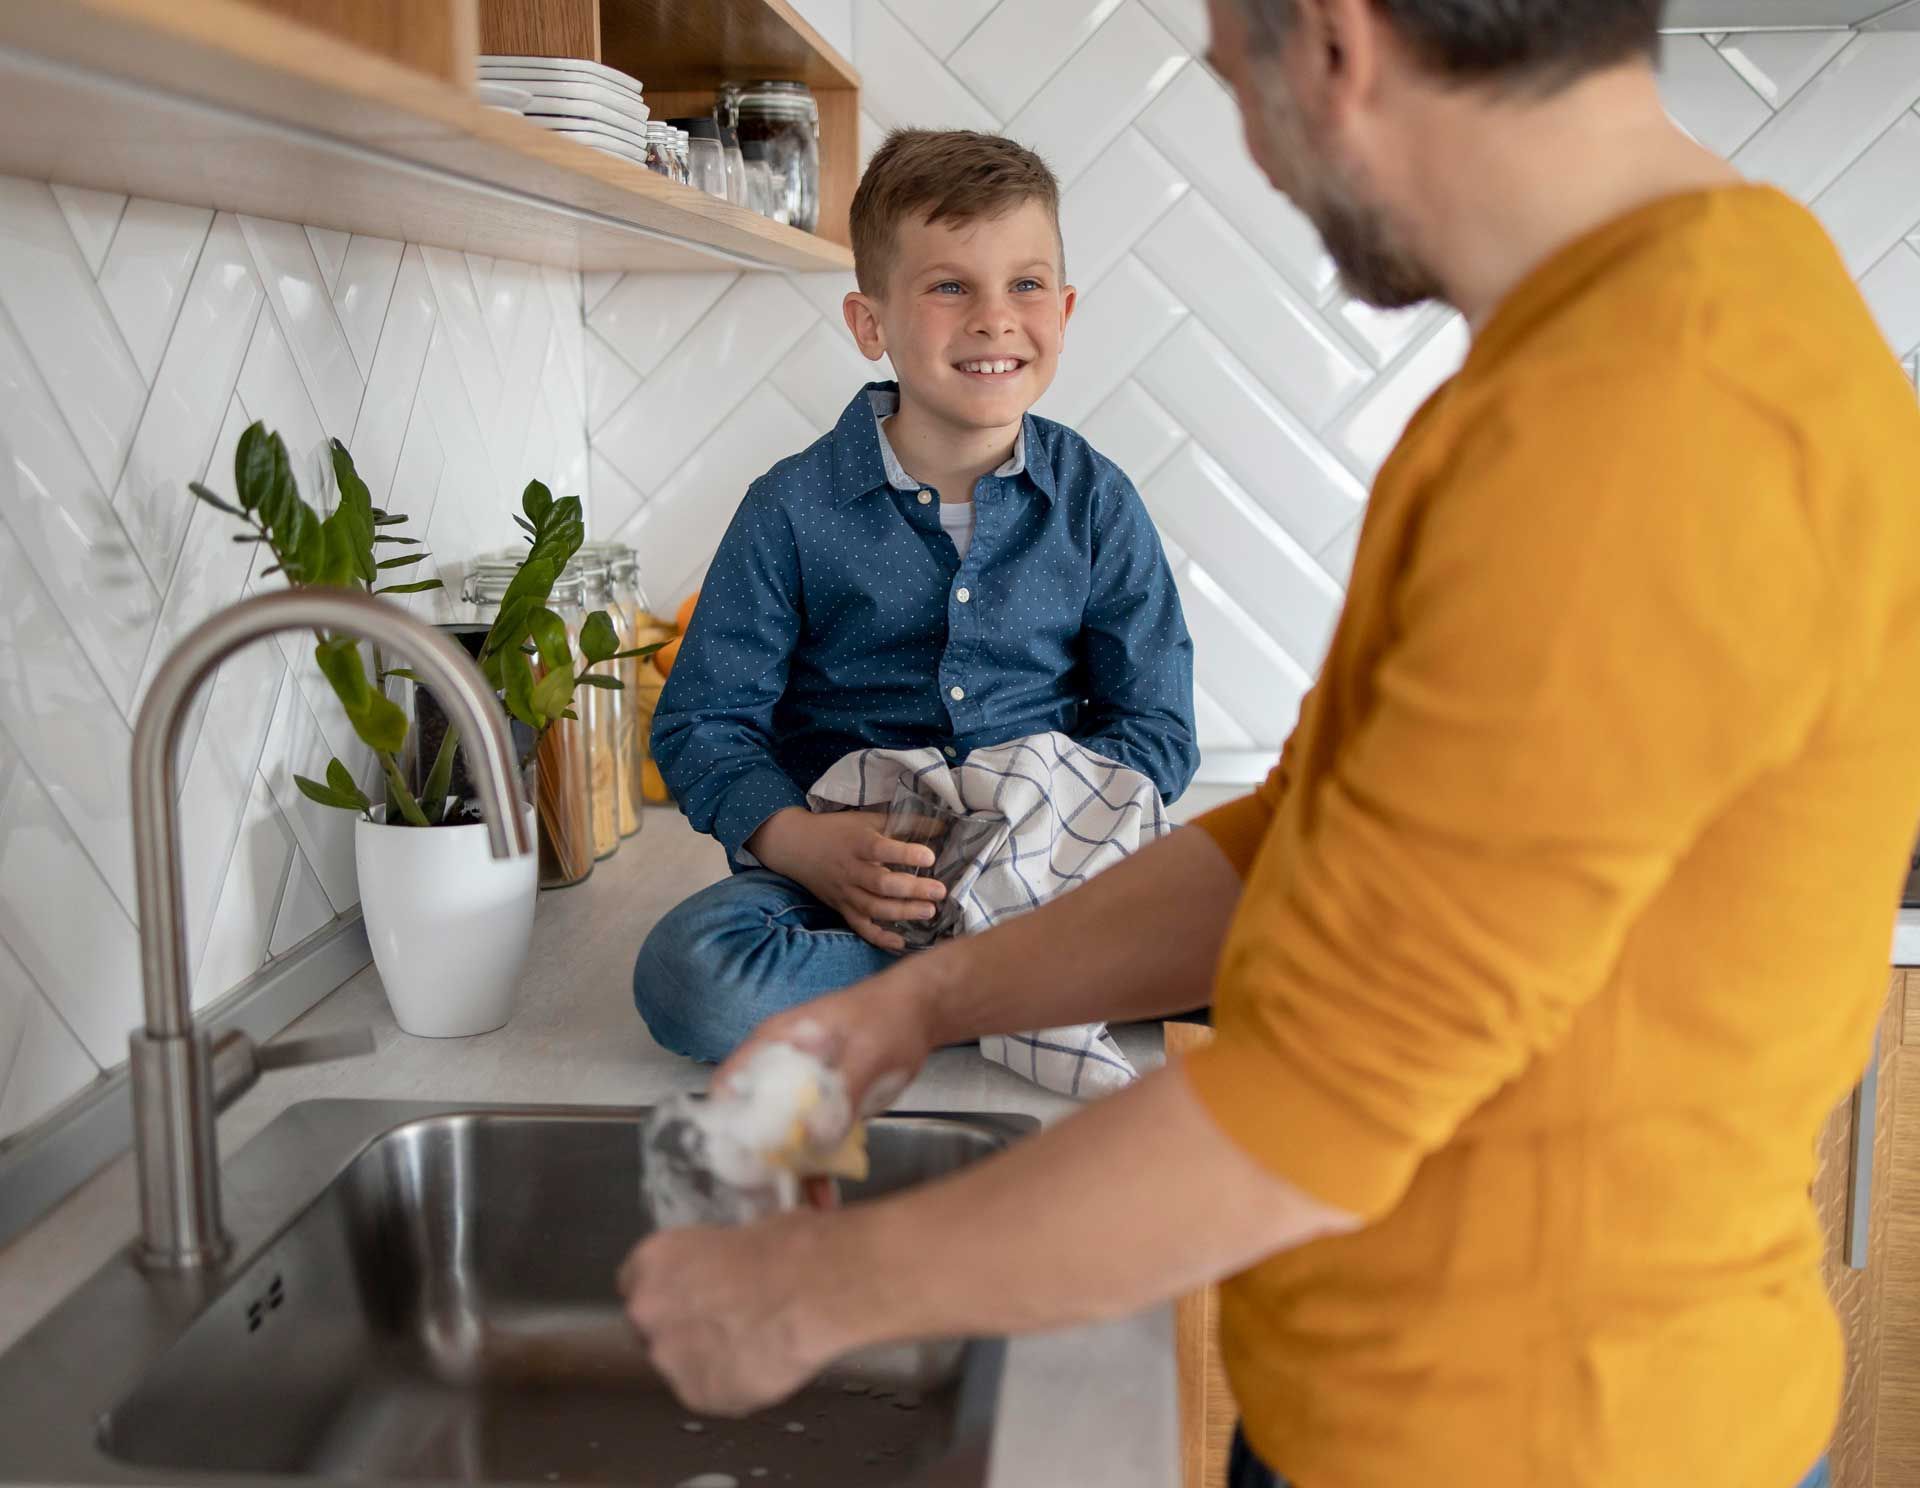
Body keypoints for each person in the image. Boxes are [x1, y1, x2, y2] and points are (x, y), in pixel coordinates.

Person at [617, 1, 1920, 1485]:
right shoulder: (1621, 345)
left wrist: (811, 1293)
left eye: (1236, 75)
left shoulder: (1647, 415)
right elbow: (1308, 837)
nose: (1259, 146)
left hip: (1544, 1446)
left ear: (1337, 44)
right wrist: (926, 1004)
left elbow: (1324, 1094)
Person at [634, 129, 1198, 1063]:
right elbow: (703, 723)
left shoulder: (1097, 501)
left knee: (1311, 924)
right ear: (871, 324)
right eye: (948, 286)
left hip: (1059, 864)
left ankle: (958, 986)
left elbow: (1156, 723)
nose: (994, 318)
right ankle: (1027, 985)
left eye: (1024, 285)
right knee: (692, 975)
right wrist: (800, 844)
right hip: (857, 884)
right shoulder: (790, 509)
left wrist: (1045, 825)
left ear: (1063, 307)